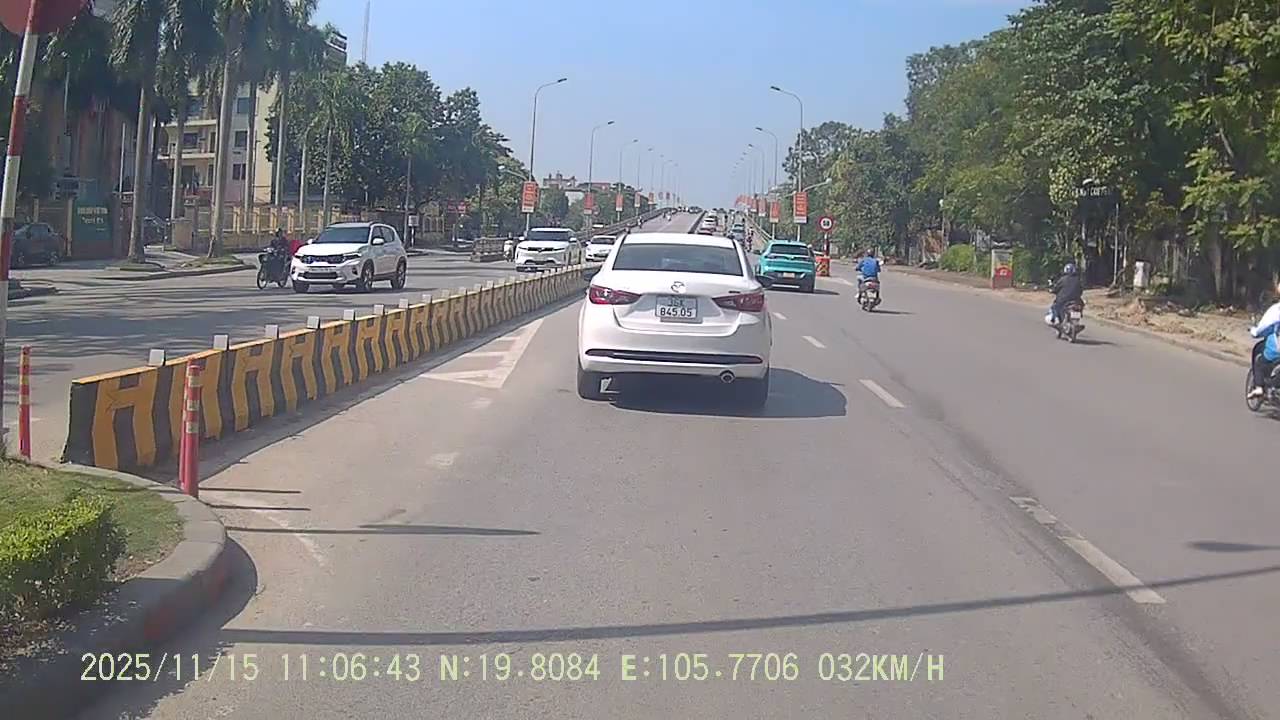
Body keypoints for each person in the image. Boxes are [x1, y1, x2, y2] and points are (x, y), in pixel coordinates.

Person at [1248, 288, 1280, 398]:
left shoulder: (1276, 310)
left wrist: (1254, 332)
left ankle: (1259, 387)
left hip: (1276, 349)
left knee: (1259, 362)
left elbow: (1263, 327)